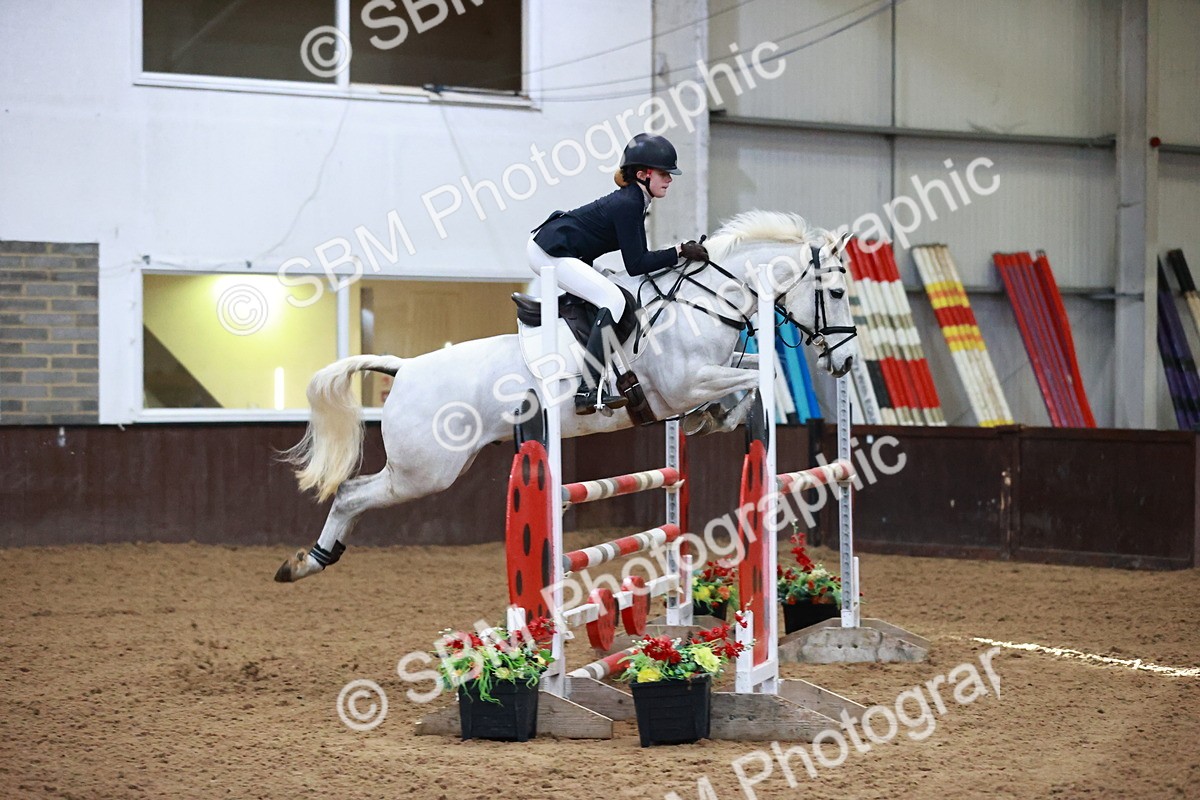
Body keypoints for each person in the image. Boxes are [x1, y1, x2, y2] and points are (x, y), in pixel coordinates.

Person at [528, 133, 709, 415]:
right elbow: (638, 263)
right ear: (642, 174)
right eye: (664, 173)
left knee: (615, 286)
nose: (670, 179)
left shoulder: (636, 200)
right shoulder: (628, 204)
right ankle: (587, 389)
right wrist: (679, 250)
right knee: (613, 300)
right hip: (550, 251)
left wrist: (678, 252)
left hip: (567, 251)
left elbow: (639, 262)